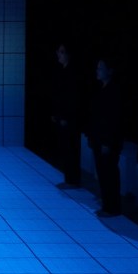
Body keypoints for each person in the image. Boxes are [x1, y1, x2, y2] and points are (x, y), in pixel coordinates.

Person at [86, 55, 124, 217]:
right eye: (97, 68)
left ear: (110, 71)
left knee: (109, 173)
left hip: (107, 141)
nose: (97, 71)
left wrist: (107, 142)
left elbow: (114, 119)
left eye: (101, 68)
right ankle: (107, 203)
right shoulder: (102, 89)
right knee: (103, 172)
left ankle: (112, 207)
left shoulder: (114, 91)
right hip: (99, 139)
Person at [51, 41, 83, 189]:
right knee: (66, 149)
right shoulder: (63, 71)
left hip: (69, 119)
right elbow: (59, 96)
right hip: (62, 117)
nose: (58, 54)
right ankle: (70, 178)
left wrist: (65, 117)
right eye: (59, 51)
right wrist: (56, 114)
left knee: (71, 149)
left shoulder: (72, 73)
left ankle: (73, 180)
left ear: (69, 54)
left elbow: (73, 99)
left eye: (62, 52)